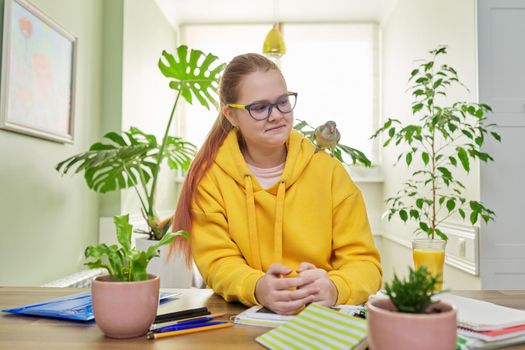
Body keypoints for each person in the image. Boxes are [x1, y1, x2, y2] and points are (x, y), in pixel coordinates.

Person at [172, 53, 382, 315]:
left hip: (323, 320)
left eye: (283, 102)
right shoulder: (210, 180)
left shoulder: (330, 173)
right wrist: (258, 286)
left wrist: (335, 288)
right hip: (242, 323)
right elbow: (217, 262)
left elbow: (364, 263)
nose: (276, 116)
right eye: (259, 107)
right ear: (231, 115)